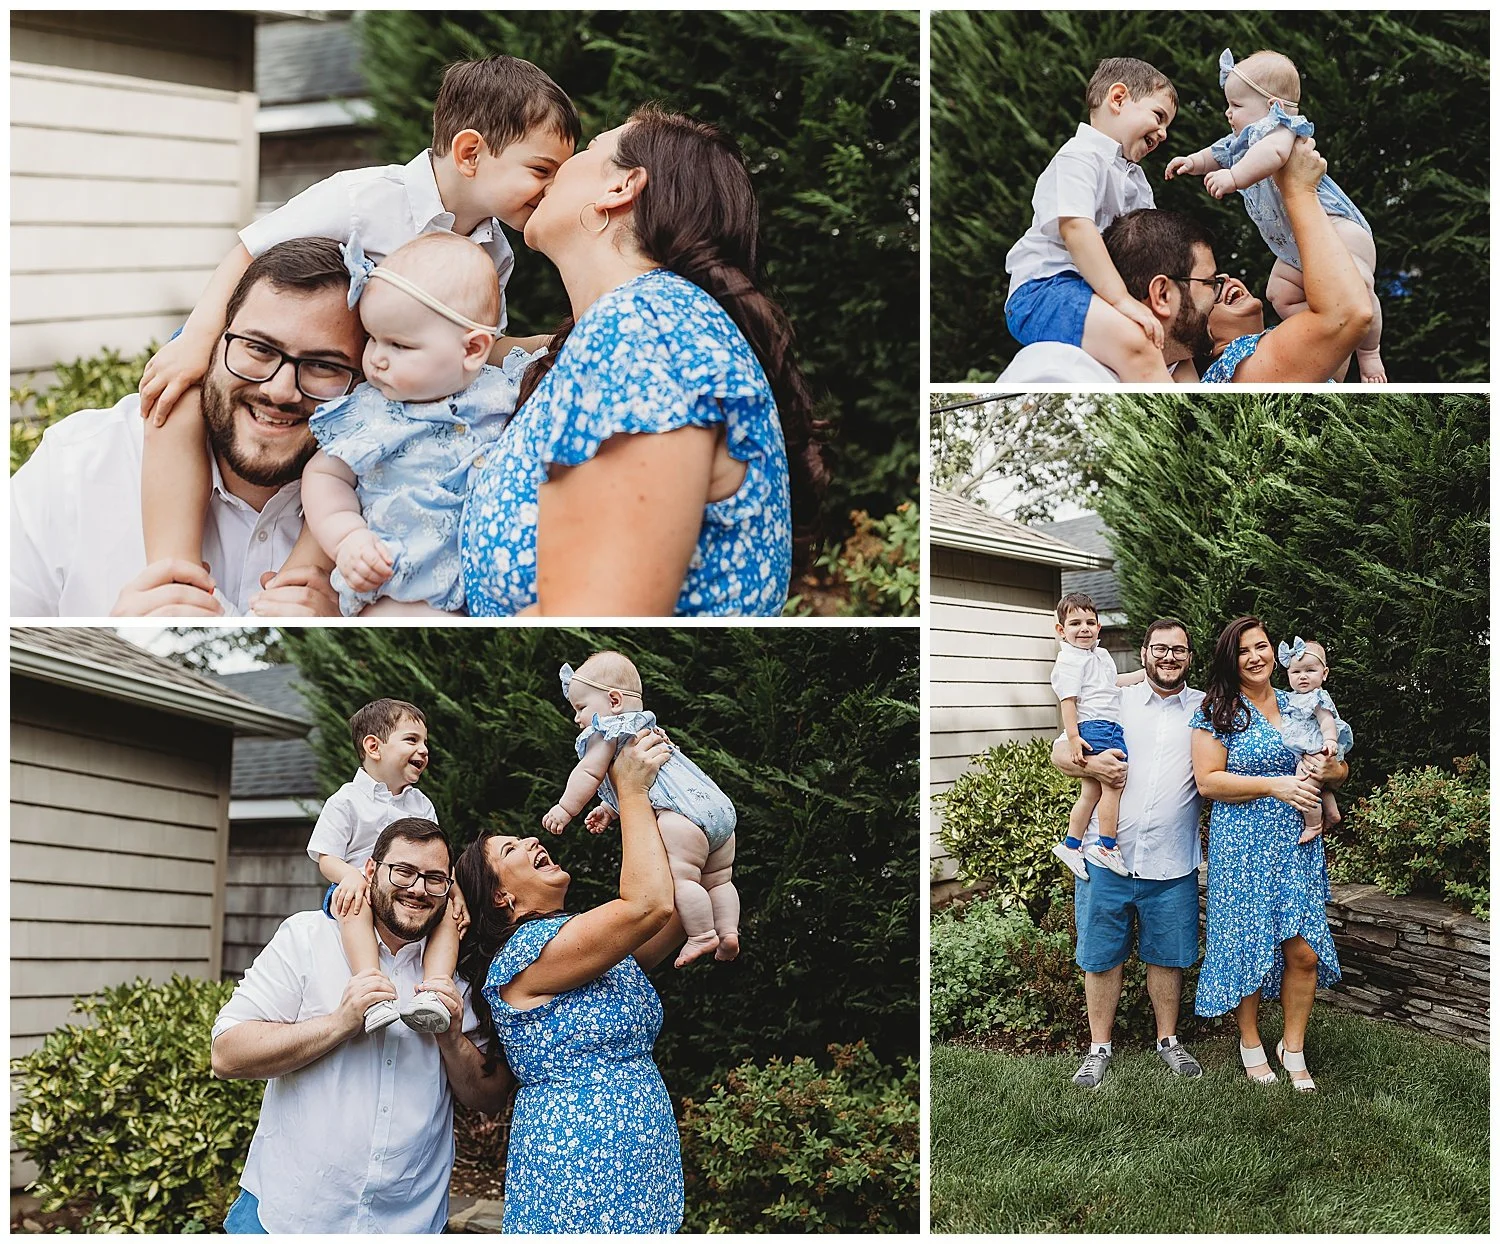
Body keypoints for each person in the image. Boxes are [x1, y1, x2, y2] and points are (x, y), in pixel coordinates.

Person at [136, 55, 578, 579]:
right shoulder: (364, 198)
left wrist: (553, 345)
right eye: (541, 171)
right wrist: (199, 338)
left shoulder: (493, 252)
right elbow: (248, 253)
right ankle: (175, 567)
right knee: (179, 401)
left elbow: (471, 344)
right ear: (470, 153)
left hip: (350, 374)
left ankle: (305, 578)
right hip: (261, 343)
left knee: (359, 457)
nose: (551, 190)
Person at [459, 105, 828, 617]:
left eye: (586, 152)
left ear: (621, 187)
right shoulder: (624, 333)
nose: (557, 168)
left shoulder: (647, 327)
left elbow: (597, 611)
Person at [11, 237, 360, 617]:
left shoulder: (397, 504)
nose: (279, 390)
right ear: (212, 343)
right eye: (258, 348)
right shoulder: (77, 464)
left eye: (324, 365)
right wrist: (118, 641)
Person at [212, 819, 510, 1233]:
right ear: (370, 872)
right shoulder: (307, 938)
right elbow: (227, 1054)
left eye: (435, 879)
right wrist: (338, 1023)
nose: (418, 888)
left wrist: (452, 1037)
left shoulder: (457, 971)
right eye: (403, 871)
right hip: (289, 1214)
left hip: (410, 1223)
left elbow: (490, 1097)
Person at [454, 729, 686, 1233]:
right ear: (500, 898)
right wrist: (629, 789)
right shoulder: (526, 956)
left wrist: (678, 806)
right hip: (577, 1178)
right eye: (512, 848)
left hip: (640, 1172)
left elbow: (675, 912)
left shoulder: (584, 943)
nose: (533, 840)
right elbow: (649, 905)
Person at [299, 232, 539, 615]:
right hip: (395, 584)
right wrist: (347, 538)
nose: (376, 358)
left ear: (473, 349)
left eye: (399, 345)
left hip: (484, 592)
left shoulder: (506, 393)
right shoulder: (370, 413)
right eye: (373, 339)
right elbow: (325, 476)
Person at [1189, 616, 1346, 1092]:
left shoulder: (1301, 701)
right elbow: (1208, 781)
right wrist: (1274, 785)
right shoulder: (1218, 711)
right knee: (1248, 948)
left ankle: (1292, 1047)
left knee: (1304, 953)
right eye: (1243, 651)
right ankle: (1251, 1042)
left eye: (1261, 647)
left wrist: (1328, 770)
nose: (1255, 657)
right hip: (1243, 847)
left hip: (1296, 847)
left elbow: (1340, 768)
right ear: (1229, 660)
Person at [1050, 619, 1207, 1089]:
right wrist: (1089, 761)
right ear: (1143, 653)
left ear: (1189, 658)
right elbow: (1060, 748)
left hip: (1172, 861)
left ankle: (1168, 1041)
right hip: (1105, 859)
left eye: (1179, 650)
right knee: (1101, 957)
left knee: (1168, 957)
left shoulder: (1204, 708)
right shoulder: (1114, 697)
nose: (1169, 657)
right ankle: (1099, 1048)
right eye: (1160, 648)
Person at [1165, 48, 1384, 381]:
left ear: (1272, 107)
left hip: (1338, 229)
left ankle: (1369, 352)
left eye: (1236, 106)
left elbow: (1274, 154)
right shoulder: (1241, 141)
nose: (1228, 113)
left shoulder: (1280, 129)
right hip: (1294, 247)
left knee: (1357, 288)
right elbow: (1216, 153)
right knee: (1278, 293)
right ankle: (1331, 327)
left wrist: (1234, 177)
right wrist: (1193, 163)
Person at [1110, 136, 1372, 383]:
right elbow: (1347, 315)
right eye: (1209, 282)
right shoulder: (1230, 374)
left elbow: (1337, 346)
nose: (1223, 279)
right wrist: (1298, 190)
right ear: (1163, 295)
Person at [545, 651, 740, 967]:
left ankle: (703, 934)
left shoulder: (607, 730)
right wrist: (610, 808)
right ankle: (729, 931)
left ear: (614, 701)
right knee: (719, 879)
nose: (577, 718)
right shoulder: (647, 728)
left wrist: (565, 808)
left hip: (682, 819)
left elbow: (590, 773)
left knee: (683, 880)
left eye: (581, 708)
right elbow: (646, 782)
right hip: (714, 807)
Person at [1004, 57, 1177, 381]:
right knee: (1137, 341)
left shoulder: (1136, 180)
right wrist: (1122, 300)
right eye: (1159, 116)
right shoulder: (1079, 157)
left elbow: (1150, 249)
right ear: (1118, 98)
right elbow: (1076, 229)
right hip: (1044, 290)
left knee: (1175, 349)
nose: (1164, 134)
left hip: (1094, 292)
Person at [311, 698, 457, 1033]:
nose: (423, 750)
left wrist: (455, 891)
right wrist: (351, 877)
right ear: (374, 746)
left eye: (425, 743)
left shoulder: (421, 804)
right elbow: (326, 856)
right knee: (355, 902)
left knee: (447, 911)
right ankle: (373, 991)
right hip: (357, 891)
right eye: (412, 740)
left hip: (408, 891)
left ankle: (434, 991)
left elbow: (437, 858)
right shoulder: (346, 800)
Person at [1049, 593, 1135, 881]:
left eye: (1090, 622)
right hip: (1097, 728)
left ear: (1099, 627)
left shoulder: (1100, 655)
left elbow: (1113, 684)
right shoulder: (1070, 660)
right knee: (1113, 784)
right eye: (1075, 623)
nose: (1084, 628)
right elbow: (1068, 701)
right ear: (1062, 630)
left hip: (1104, 726)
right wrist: (1073, 738)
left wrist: (1142, 675)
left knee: (1091, 792)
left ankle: (1071, 844)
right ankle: (1106, 845)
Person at [1275, 636, 1354, 842]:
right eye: (1296, 672)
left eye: (1310, 671)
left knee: (1305, 786)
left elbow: (1327, 721)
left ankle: (1313, 824)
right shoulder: (1292, 697)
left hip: (1317, 748)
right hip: (1309, 749)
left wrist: (1330, 741)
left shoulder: (1317, 697)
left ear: (1324, 673)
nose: (1303, 677)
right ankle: (1333, 813)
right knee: (1320, 785)